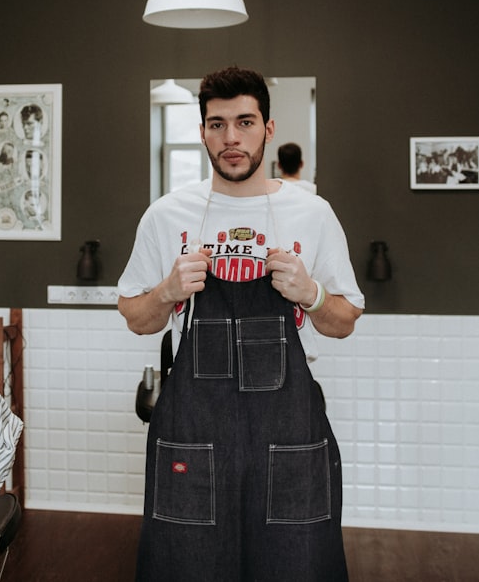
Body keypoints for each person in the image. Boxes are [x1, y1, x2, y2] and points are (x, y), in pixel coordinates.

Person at [118, 66, 363, 581]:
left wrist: (311, 293)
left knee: (293, 564)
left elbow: (342, 323)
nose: (232, 138)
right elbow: (137, 319)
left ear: (268, 129)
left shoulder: (312, 214)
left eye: (245, 122)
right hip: (194, 429)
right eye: (217, 124)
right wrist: (166, 291)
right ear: (202, 130)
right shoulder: (166, 216)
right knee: (188, 563)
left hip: (287, 431)